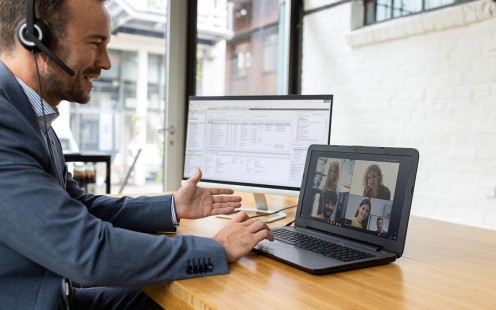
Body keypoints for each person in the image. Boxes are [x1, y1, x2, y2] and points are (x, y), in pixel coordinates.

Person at [0, 0, 273, 309]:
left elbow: (80, 207)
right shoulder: (4, 121)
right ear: (35, 37)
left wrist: (173, 205)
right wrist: (215, 249)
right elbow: (86, 250)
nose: (106, 63)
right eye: (96, 43)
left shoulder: (29, 115)